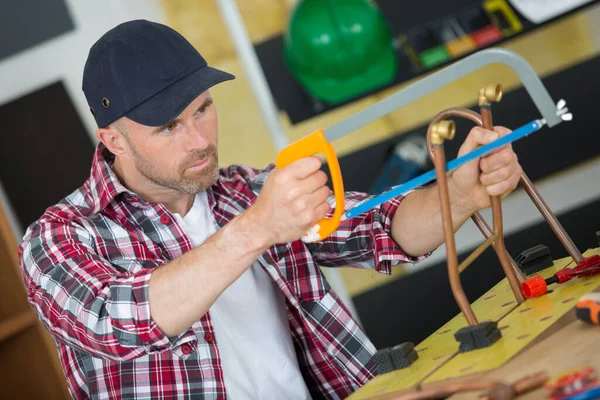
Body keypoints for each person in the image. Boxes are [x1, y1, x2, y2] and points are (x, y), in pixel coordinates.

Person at [18, 20, 522, 400]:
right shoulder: (59, 238)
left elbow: (381, 228)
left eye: (203, 109)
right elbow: (120, 323)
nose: (199, 141)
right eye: (169, 128)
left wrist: (458, 194)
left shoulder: (246, 188)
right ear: (113, 140)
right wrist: (257, 228)